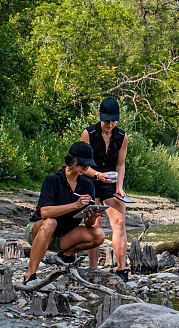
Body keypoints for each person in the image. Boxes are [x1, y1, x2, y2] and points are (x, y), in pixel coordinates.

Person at [23, 141, 106, 285]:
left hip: (65, 236)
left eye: (88, 165)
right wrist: (76, 205)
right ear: (71, 161)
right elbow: (44, 212)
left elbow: (88, 223)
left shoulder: (87, 185)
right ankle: (30, 275)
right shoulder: (53, 180)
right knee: (50, 222)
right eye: (82, 164)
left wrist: (92, 217)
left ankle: (65, 255)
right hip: (39, 231)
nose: (86, 168)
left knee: (98, 234)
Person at [81, 96, 130, 281]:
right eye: (106, 120)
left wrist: (119, 187)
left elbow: (120, 164)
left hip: (111, 183)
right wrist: (97, 175)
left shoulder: (122, 136)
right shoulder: (88, 133)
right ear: (100, 115)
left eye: (113, 120)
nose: (110, 124)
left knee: (119, 223)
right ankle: (93, 268)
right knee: (95, 225)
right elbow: (82, 165)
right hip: (90, 181)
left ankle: (121, 270)